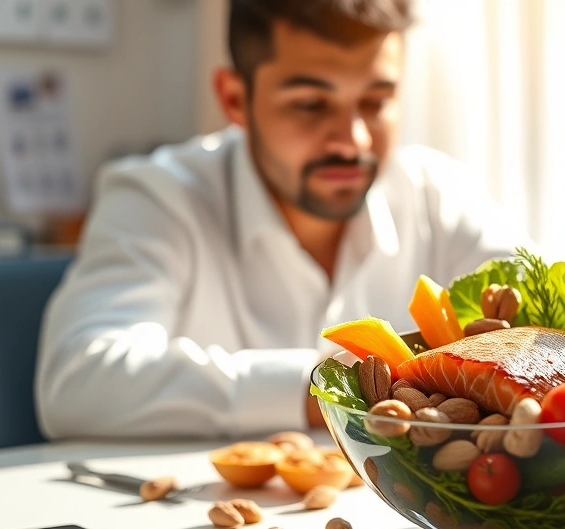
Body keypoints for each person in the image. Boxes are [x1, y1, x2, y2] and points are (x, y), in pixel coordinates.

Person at [35, 0, 525, 439]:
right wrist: (325, 388)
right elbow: (78, 380)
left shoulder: (438, 194)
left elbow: (547, 336)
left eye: (375, 103)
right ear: (233, 100)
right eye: (310, 104)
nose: (352, 140)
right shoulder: (157, 196)